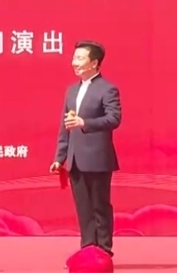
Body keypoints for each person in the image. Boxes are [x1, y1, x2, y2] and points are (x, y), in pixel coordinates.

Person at [50, 40, 122, 257]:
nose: (75, 63)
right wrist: (59, 157)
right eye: (74, 58)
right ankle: (88, 250)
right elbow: (65, 126)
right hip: (75, 159)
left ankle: (104, 250)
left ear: (94, 63)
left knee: (100, 206)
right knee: (83, 208)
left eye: (80, 58)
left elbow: (114, 118)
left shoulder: (107, 89)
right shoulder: (72, 91)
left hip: (98, 158)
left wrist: (85, 123)